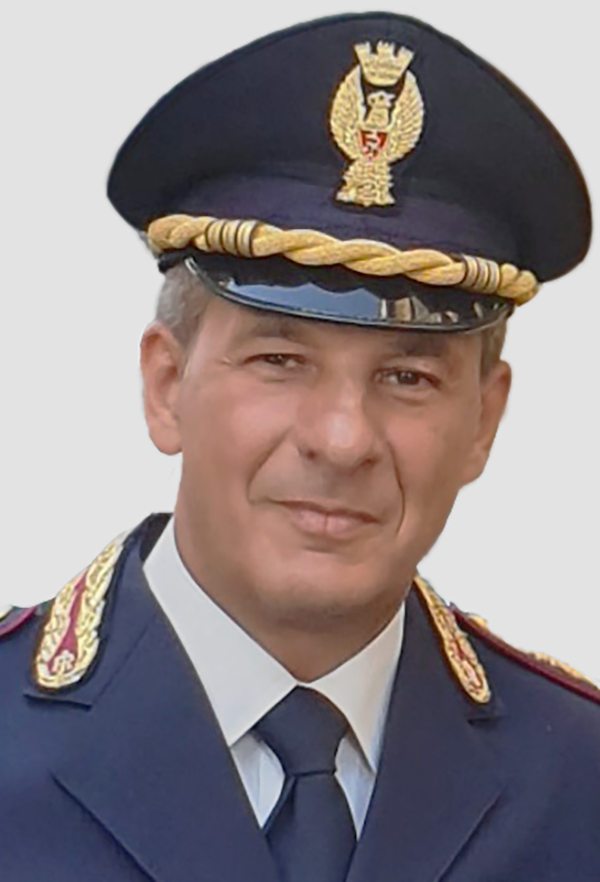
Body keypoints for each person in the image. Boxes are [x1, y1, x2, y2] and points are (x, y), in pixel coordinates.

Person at [1, 12, 598, 881]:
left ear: (483, 420)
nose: (342, 438)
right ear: (167, 386)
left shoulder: (578, 781)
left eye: (408, 377)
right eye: (279, 361)